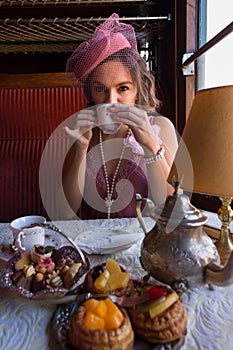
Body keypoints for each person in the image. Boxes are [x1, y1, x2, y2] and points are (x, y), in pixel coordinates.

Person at [62, 13, 178, 220]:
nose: (111, 101)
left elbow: (170, 209)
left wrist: (149, 143)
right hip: (92, 245)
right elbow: (65, 211)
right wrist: (79, 148)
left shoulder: (161, 127)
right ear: (91, 93)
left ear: (138, 90)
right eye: (100, 89)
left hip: (144, 246)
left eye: (122, 88)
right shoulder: (82, 130)